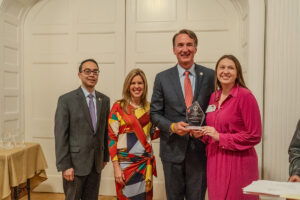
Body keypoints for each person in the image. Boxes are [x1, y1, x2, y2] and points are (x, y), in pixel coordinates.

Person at [150, 29, 214, 200]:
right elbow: (155, 114)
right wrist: (171, 126)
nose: (185, 49)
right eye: (180, 45)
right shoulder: (162, 78)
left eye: (189, 44)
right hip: (172, 150)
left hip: (200, 151)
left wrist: (205, 129)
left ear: (195, 48)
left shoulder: (210, 76)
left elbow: (216, 109)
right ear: (174, 49)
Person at [194, 55, 262, 200]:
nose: (226, 71)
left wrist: (220, 137)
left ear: (237, 73)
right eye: (222, 67)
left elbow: (254, 135)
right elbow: (213, 130)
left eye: (230, 68)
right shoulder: (214, 96)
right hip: (215, 161)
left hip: (239, 161)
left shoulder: (245, 96)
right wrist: (201, 134)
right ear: (216, 72)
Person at [54, 58, 110, 200]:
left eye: (95, 72)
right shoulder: (66, 100)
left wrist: (105, 157)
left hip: (96, 164)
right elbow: (61, 135)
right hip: (74, 166)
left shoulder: (104, 100)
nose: (92, 75)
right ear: (79, 75)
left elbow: (104, 131)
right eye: (87, 71)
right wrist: (65, 165)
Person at [108, 68, 160, 200]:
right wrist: (116, 167)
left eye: (140, 83)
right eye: (133, 83)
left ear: (145, 86)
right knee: (126, 197)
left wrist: (173, 128)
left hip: (144, 162)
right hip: (125, 164)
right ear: (128, 86)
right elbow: (111, 138)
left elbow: (152, 134)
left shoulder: (150, 108)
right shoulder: (118, 107)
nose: (136, 86)